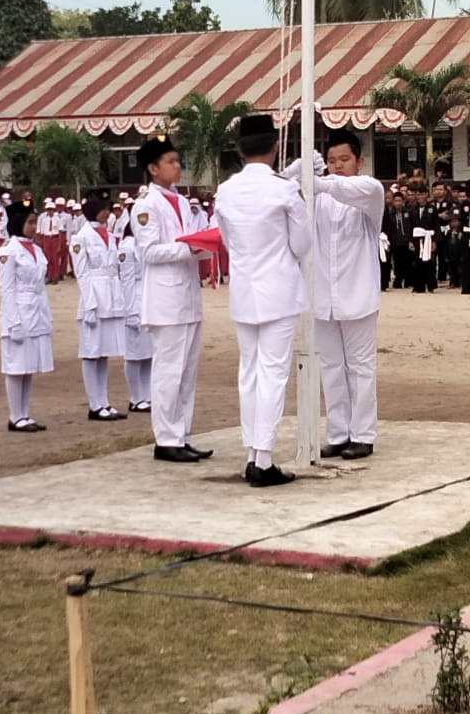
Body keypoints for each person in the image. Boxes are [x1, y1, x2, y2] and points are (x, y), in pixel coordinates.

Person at [214, 115, 311, 487]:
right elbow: (302, 244)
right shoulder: (283, 189)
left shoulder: (226, 190)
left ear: (239, 150)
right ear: (274, 148)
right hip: (280, 290)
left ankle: (253, 452)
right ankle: (264, 459)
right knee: (272, 373)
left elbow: (225, 240)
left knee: (249, 373)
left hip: (244, 290)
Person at [304, 130, 384, 460]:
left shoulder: (370, 192)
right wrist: (303, 171)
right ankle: (338, 432)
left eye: (344, 160)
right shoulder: (317, 198)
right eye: (332, 161)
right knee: (331, 368)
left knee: (361, 368)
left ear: (359, 161)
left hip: (358, 295)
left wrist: (320, 181)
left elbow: (355, 189)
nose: (337, 167)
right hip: (323, 297)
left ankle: (363, 434)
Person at [133, 135, 211, 463]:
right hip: (165, 299)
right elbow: (148, 252)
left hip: (187, 295)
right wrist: (188, 247)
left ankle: (182, 434)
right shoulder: (146, 205)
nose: (177, 167)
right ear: (153, 169)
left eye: (178, 161)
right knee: (168, 371)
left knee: (187, 372)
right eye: (170, 162)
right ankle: (166, 438)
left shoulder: (180, 201)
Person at [69, 191, 127, 421]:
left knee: (103, 353)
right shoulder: (80, 237)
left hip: (111, 296)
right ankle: (94, 404)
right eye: (103, 208)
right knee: (91, 352)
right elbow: (81, 273)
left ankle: (104, 402)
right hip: (94, 295)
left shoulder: (110, 235)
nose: (107, 212)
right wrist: (90, 304)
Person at [0, 201, 52, 432]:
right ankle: (15, 416)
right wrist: (12, 322)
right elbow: (7, 289)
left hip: (37, 309)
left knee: (29, 365)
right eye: (29, 222)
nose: (33, 227)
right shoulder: (8, 251)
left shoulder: (36, 249)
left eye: (34, 222)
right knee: (15, 366)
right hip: (19, 310)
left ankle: (25, 414)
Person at [118, 220, 153, 414]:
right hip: (134, 300)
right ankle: (135, 397)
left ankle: (147, 396)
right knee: (134, 354)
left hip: (148, 298)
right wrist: (130, 310)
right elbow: (127, 280)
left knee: (148, 353)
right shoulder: (127, 246)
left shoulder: (143, 244)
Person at [388, 192, 413, 289]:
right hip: (395, 242)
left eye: (400, 201)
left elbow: (411, 226)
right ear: (393, 202)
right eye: (396, 201)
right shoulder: (390, 214)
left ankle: (408, 281)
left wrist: (411, 240)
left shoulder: (408, 212)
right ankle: (398, 280)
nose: (398, 203)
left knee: (408, 262)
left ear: (403, 201)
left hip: (407, 241)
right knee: (397, 262)